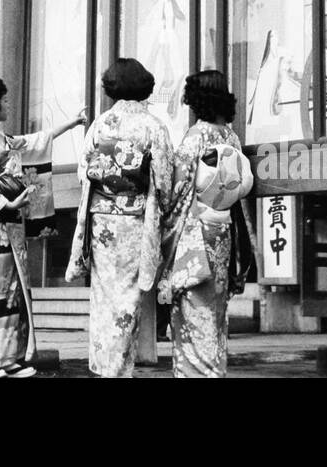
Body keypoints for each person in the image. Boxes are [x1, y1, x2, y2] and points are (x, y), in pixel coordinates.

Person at [0, 78, 85, 378]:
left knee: (12, 296)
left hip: (10, 230)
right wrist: (10, 205)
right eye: (4, 100)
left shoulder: (2, 140)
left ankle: (6, 357)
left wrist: (72, 123)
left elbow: (37, 141)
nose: (9, 104)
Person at [67, 58, 179, 377]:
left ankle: (105, 364)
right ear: (143, 85)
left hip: (101, 218)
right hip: (133, 219)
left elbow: (83, 171)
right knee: (128, 295)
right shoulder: (153, 126)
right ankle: (117, 368)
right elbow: (164, 180)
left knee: (104, 296)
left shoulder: (100, 124)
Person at [163, 70, 252, 377]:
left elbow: (178, 189)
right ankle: (215, 369)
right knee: (216, 306)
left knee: (192, 306)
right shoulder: (231, 137)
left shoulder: (195, 137)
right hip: (224, 229)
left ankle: (195, 372)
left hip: (195, 231)